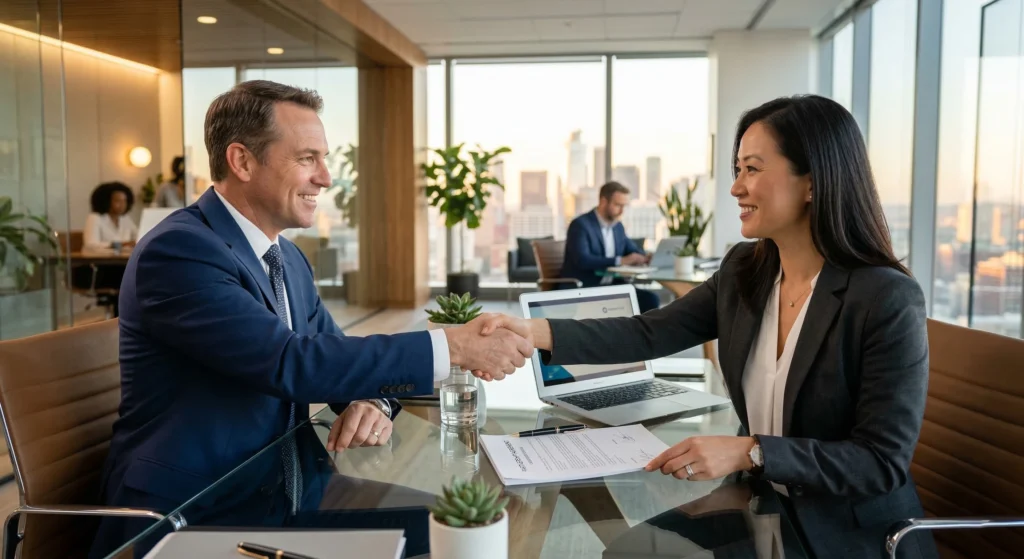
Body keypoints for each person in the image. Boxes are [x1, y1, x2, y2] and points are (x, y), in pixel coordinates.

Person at [478, 95, 937, 558]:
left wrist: (751, 451)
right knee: (626, 552)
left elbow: (881, 462)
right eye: (737, 169)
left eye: (752, 169)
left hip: (843, 529)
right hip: (761, 504)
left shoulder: (885, 298)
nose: (736, 188)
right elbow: (648, 332)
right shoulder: (745, 271)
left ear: (813, 183)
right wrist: (531, 332)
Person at [89, 80, 533, 557]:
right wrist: (454, 345)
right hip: (200, 513)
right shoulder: (178, 252)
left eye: (324, 160)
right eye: (307, 159)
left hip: (293, 490)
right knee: (463, 538)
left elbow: (334, 357)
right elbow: (289, 363)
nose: (325, 178)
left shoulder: (287, 259)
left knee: (480, 527)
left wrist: (373, 403)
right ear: (241, 161)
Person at [561, 181, 660, 313]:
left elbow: (631, 249)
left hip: (611, 286)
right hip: (584, 287)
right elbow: (582, 260)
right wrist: (620, 261)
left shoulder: (617, 227)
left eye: (624, 206)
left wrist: (643, 257)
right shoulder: (581, 225)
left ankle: (635, 334)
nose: (622, 211)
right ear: (603, 201)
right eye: (618, 205)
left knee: (651, 300)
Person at [83, 181, 138, 251]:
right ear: (106, 201)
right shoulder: (95, 218)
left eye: (124, 201)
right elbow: (90, 245)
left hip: (123, 259)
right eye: (118, 201)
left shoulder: (125, 219)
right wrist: (118, 245)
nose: (122, 205)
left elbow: (138, 236)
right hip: (100, 260)